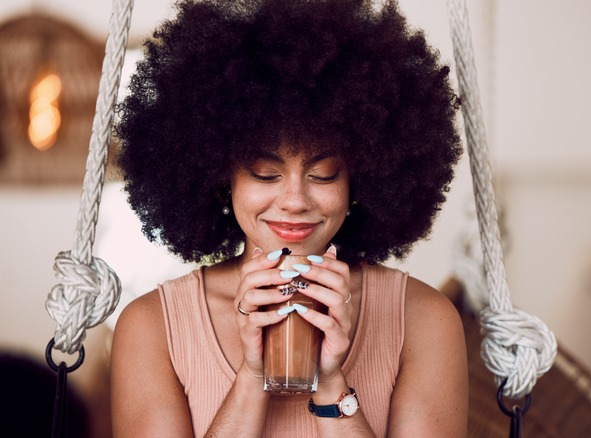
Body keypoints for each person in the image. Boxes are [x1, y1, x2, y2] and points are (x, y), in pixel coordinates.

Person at [109, 0, 468, 436]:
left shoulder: (424, 321)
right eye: (265, 173)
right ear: (223, 179)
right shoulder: (152, 328)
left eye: (323, 173)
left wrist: (332, 382)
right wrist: (251, 374)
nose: (295, 200)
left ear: (363, 179)